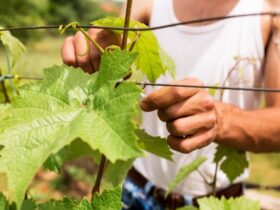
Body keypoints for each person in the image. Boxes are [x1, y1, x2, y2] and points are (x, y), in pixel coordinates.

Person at [61, 0, 280, 209]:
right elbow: (116, 45)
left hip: (219, 201)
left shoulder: (271, 13)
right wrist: (95, 47)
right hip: (138, 190)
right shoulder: (146, 3)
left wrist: (221, 120)